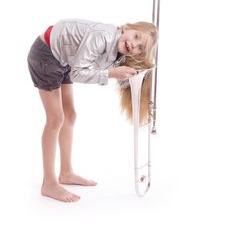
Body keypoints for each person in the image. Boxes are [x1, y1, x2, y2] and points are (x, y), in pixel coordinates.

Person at [27, 18, 157, 202]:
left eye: (139, 48)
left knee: (70, 116)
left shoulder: (118, 50)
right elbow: (78, 73)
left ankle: (66, 172)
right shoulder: (102, 36)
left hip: (64, 57)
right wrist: (111, 74)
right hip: (47, 54)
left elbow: (103, 70)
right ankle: (49, 182)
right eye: (136, 36)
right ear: (126, 27)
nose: (133, 44)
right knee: (55, 119)